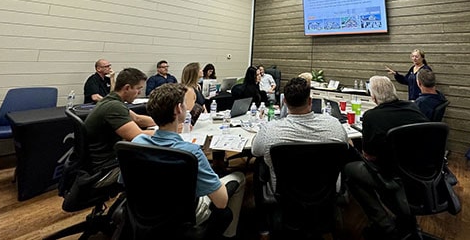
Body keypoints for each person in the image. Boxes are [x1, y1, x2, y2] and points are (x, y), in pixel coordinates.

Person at [132, 83, 245, 238]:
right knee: (239, 177)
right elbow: (221, 202)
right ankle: (229, 235)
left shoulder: (136, 143)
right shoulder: (190, 152)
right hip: (181, 218)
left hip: (143, 214)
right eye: (185, 103)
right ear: (178, 109)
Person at [251, 77, 348, 236]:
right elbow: (346, 145)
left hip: (284, 194)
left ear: (285, 103)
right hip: (326, 192)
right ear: (310, 101)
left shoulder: (270, 130)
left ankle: (263, 224)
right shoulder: (334, 125)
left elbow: (255, 151)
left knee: (259, 164)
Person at [344, 75, 428, 240]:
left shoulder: (371, 116)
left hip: (390, 173)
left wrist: (354, 148)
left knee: (349, 170)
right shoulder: (414, 108)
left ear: (373, 97)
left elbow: (369, 156)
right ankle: (401, 216)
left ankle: (384, 224)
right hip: (421, 171)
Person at [84, 68, 156, 172]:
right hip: (105, 167)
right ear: (127, 88)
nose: (140, 93)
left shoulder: (111, 100)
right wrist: (167, 131)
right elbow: (138, 136)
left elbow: (137, 119)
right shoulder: (114, 106)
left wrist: (164, 122)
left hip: (101, 159)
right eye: (138, 88)